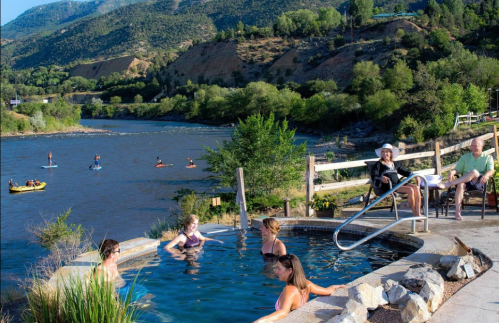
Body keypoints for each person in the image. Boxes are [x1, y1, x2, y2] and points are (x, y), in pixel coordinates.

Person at [253, 254, 347, 323]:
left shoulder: (289, 289)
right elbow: (327, 291)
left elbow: (284, 312)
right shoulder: (307, 284)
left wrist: (261, 320)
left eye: (279, 269)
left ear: (290, 271)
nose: (276, 272)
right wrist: (335, 286)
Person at [436, 138, 494, 220]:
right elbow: (457, 170)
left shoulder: (488, 157)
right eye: (472, 146)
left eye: (476, 146)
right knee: (460, 185)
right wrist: (452, 172)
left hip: (479, 181)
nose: (473, 148)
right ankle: (457, 213)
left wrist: (487, 175)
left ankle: (449, 184)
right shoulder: (465, 157)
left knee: (474, 172)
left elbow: (491, 170)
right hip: (466, 181)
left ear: (482, 146)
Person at [371, 143, 422, 218]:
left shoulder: (394, 163)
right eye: (383, 152)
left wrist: (415, 175)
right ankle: (415, 213)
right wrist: (381, 178)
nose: (385, 154)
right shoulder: (378, 164)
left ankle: (418, 212)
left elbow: (404, 171)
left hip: (398, 184)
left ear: (391, 153)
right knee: (410, 190)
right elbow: (374, 175)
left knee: (416, 188)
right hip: (389, 186)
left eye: (387, 152)